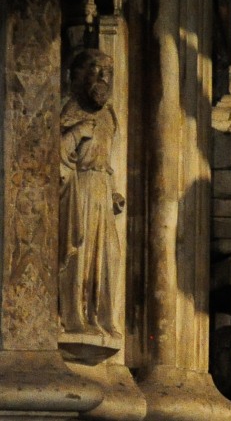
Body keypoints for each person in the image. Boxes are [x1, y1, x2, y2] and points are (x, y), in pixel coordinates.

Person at [59, 49, 123, 345]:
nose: (103, 78)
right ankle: (75, 318)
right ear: (78, 75)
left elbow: (106, 159)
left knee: (109, 256)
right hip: (79, 187)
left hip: (100, 189)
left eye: (107, 73)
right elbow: (52, 154)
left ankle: (101, 317)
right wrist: (75, 132)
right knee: (80, 252)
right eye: (96, 71)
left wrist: (113, 192)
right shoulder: (70, 109)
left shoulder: (109, 115)